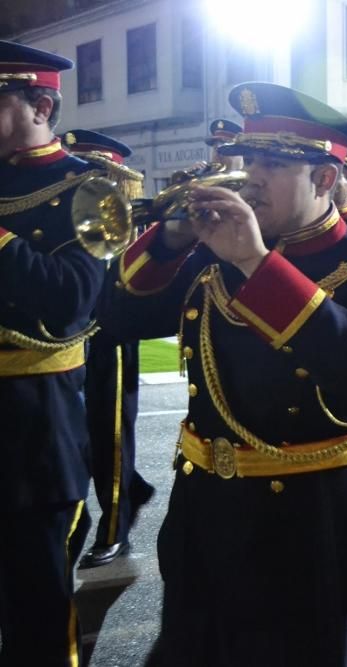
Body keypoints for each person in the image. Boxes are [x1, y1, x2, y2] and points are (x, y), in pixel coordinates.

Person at [99, 82, 347, 666]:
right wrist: (169, 239)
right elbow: (114, 317)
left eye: (272, 164)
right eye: (248, 160)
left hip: (312, 533)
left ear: (324, 179)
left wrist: (255, 262)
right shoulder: (211, 251)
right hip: (206, 520)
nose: (249, 177)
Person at [0, 40, 105, 666]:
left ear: (40, 104)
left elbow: (73, 301)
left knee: (35, 608)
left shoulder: (88, 189)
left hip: (31, 425)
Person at [60, 129, 157, 568]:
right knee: (77, 434)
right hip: (72, 336)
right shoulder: (69, 215)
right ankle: (123, 496)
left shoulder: (124, 219)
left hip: (110, 335)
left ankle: (114, 526)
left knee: (110, 432)